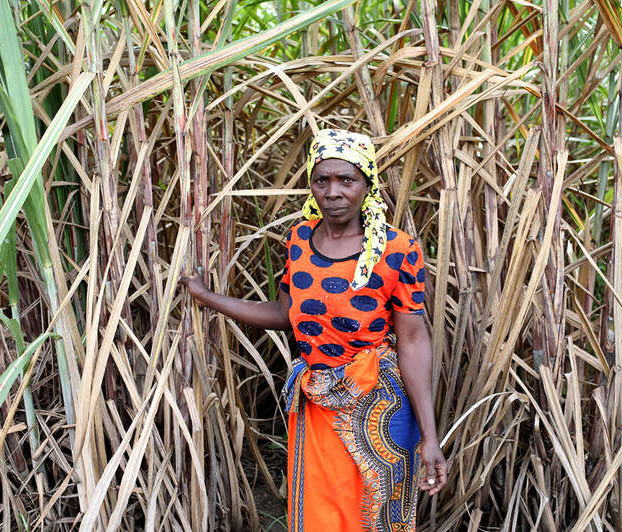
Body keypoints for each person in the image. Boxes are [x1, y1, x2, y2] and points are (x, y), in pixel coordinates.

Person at [182, 129, 446, 531]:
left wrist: (430, 436)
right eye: (322, 180)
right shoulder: (300, 240)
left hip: (380, 404)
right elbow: (285, 313)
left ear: (367, 184)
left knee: (376, 517)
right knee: (320, 516)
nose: (333, 192)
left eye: (347, 180)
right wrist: (207, 298)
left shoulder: (398, 250)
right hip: (317, 405)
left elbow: (411, 340)